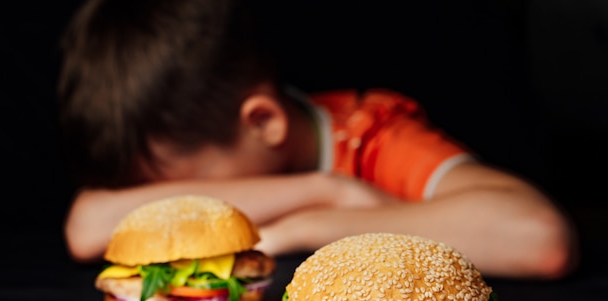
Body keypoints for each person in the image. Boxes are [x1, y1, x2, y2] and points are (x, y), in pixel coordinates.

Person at [58, 0, 578, 280]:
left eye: (188, 191)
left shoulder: (374, 136)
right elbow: (87, 225)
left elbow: (539, 238)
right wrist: (325, 190)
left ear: (262, 122)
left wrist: (314, 224)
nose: (184, 207)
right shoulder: (317, 177)